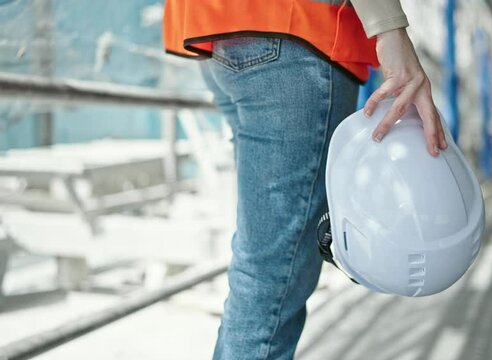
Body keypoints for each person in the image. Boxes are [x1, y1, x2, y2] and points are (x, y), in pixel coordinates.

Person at [163, 0, 448, 358]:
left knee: (263, 267)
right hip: (296, 36)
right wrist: (390, 29)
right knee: (273, 278)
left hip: (216, 30)